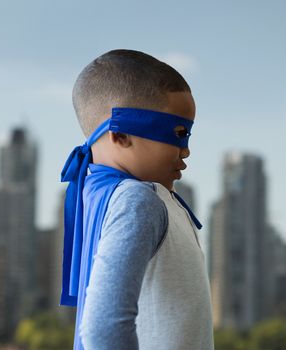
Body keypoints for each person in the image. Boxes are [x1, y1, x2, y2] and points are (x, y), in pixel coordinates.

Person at [60, 49, 212, 349]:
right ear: (121, 135)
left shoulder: (112, 197)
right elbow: (103, 329)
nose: (186, 150)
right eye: (178, 133)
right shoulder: (138, 201)